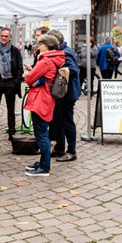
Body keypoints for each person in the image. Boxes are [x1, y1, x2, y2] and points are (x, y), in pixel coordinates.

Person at [23, 34, 65, 177]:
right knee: (42, 133)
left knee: (41, 134)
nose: (38, 46)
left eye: (40, 44)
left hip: (41, 100)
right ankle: (42, 163)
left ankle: (44, 167)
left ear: (47, 46)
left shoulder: (45, 61)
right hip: (45, 99)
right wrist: (38, 78)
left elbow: (29, 78)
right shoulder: (52, 59)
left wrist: (32, 77)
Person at [48, 30, 80, 162]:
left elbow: (71, 70)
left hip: (67, 93)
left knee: (67, 121)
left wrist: (54, 70)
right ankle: (60, 147)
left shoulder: (65, 52)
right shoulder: (63, 50)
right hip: (63, 93)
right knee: (57, 120)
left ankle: (71, 151)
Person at [0, 27, 23, 142]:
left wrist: (15, 82)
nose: (3, 38)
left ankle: (12, 133)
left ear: (10, 37)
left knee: (11, 110)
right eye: (2, 36)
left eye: (6, 36)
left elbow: (19, 68)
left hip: (10, 83)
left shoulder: (15, 51)